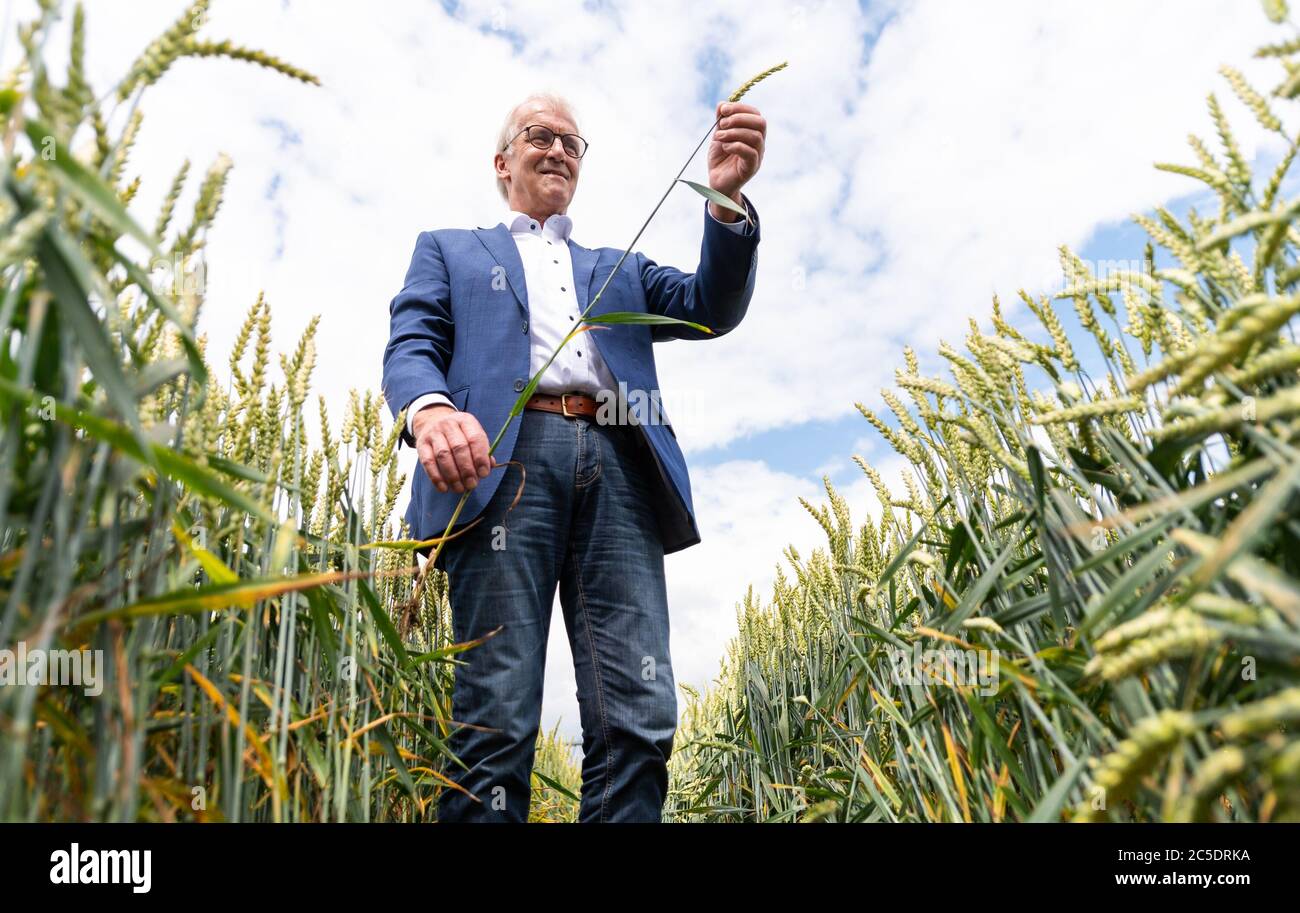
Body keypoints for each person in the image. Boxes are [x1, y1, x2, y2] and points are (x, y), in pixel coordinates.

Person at [381, 91, 765, 822]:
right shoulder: (450, 248)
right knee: (494, 716)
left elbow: (710, 306)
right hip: (501, 466)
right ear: (502, 162)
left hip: (620, 469)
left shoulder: (618, 267)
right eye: (539, 135)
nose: (558, 149)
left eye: (572, 142)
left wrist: (724, 200)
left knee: (639, 719)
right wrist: (430, 410)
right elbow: (412, 340)